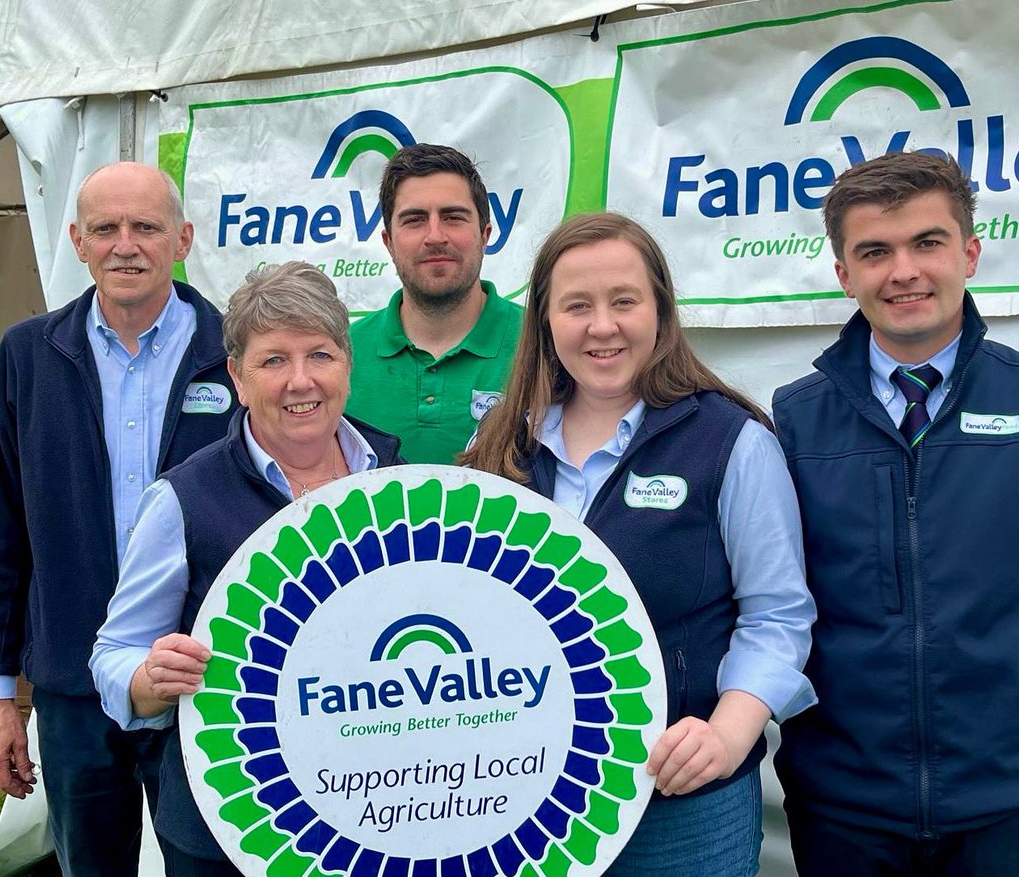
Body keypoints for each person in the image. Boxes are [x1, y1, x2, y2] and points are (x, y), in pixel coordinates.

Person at [771, 151, 1019, 876]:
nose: (903, 271)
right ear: (844, 274)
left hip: (1011, 810)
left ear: (968, 252)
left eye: (927, 243)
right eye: (875, 251)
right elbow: (778, 603)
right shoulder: (791, 423)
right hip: (845, 809)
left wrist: (1011, 711)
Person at [463, 212, 816, 876]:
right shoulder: (498, 448)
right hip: (522, 802)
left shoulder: (731, 441)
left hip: (679, 806)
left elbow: (778, 615)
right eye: (577, 306)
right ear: (544, 321)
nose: (603, 326)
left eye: (624, 300)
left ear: (660, 309)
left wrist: (727, 731)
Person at [0, 162, 238, 875]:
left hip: (202, 683)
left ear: (181, 238)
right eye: (106, 228)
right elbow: (1, 531)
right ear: (77, 241)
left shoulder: (237, 355)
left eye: (145, 226)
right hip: (73, 692)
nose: (126, 244)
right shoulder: (27, 355)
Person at [91, 261, 403, 875]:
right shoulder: (183, 498)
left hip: (376, 812)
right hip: (233, 826)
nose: (300, 381)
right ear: (236, 375)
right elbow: (114, 652)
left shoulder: (397, 478)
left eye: (320, 354)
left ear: (347, 361)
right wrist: (151, 678)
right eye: (273, 361)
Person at [346, 143, 521, 464]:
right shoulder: (340, 357)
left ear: (485, 235)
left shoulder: (543, 345)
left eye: (453, 217)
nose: (435, 236)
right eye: (414, 220)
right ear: (388, 241)